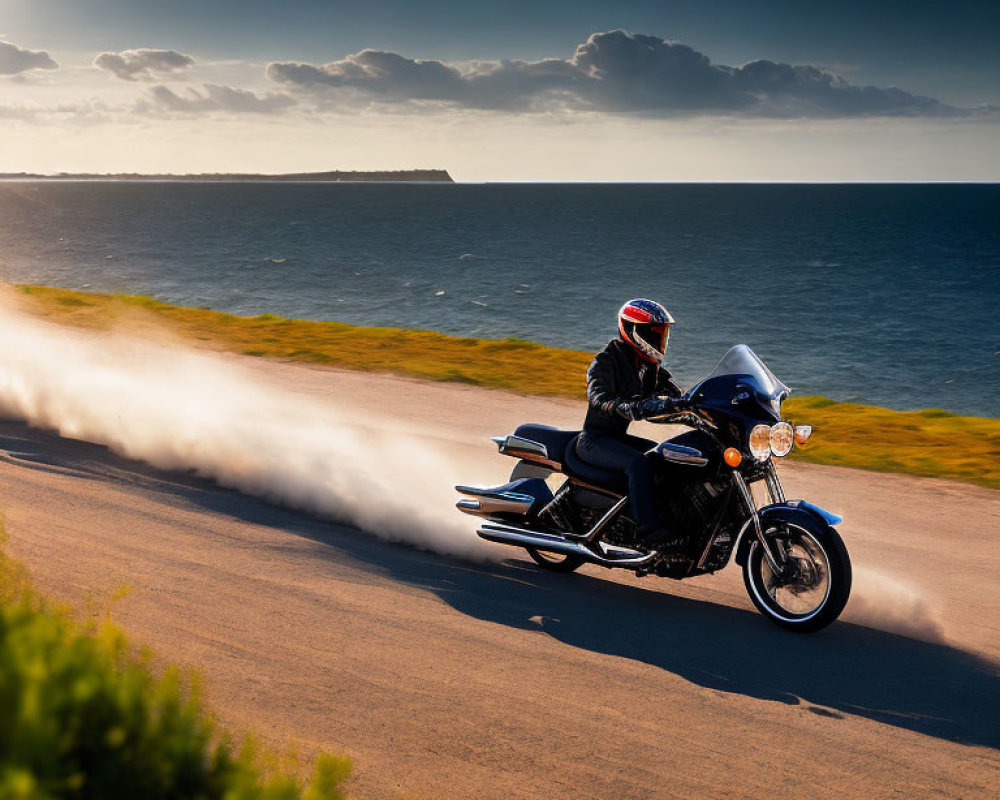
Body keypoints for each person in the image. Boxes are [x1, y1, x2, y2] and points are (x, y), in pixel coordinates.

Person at [576, 298, 688, 550]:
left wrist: (698, 406)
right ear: (632, 331)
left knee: (664, 457)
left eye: (661, 335)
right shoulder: (605, 362)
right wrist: (629, 406)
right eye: (653, 334)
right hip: (595, 441)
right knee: (639, 463)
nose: (659, 341)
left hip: (616, 439)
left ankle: (669, 520)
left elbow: (678, 396)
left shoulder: (650, 367)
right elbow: (599, 397)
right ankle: (649, 531)